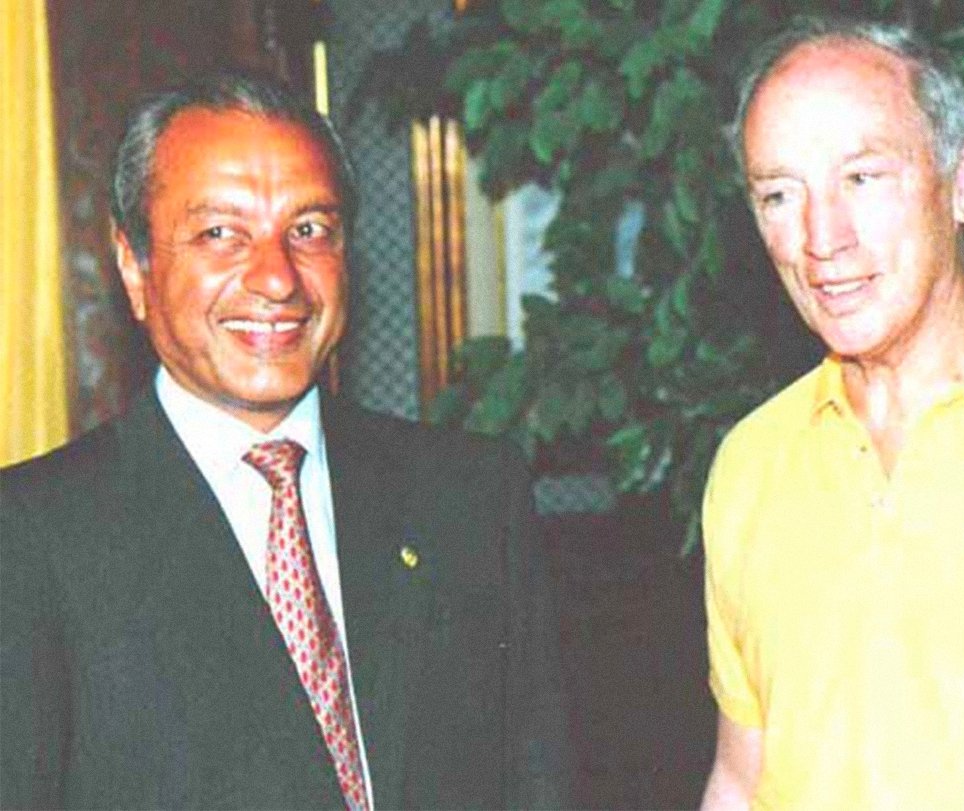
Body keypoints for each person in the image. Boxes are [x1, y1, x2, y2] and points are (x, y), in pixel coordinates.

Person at [0, 70, 568, 810]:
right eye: (220, 234)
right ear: (135, 266)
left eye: (308, 231)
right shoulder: (31, 536)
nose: (276, 279)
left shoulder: (470, 496)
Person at [700, 15, 964, 811]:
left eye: (862, 178)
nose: (822, 238)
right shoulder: (752, 462)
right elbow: (742, 777)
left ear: (961, 181)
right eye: (779, 194)